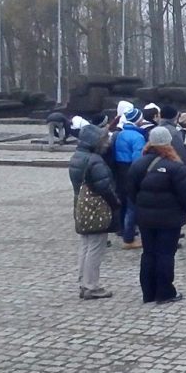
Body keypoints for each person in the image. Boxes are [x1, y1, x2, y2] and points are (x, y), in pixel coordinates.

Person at [127, 127, 186, 304]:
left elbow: (131, 192)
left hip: (145, 218)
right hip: (169, 218)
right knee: (165, 254)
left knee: (149, 253)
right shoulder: (176, 168)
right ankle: (164, 292)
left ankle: (148, 292)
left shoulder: (138, 165)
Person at [69, 124, 120, 300]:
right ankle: (91, 285)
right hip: (96, 208)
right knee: (96, 246)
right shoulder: (95, 161)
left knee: (85, 244)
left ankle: (84, 282)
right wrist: (116, 203)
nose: (106, 143)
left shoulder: (77, 156)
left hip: (81, 205)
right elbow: (104, 187)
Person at [113, 107, 147, 249]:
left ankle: (123, 229)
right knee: (133, 205)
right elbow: (138, 159)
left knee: (125, 203)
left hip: (121, 169)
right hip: (131, 170)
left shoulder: (121, 134)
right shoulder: (137, 137)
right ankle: (129, 237)